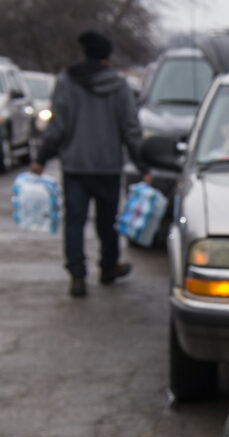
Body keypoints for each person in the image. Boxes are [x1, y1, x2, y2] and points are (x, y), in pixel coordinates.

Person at [30, 29, 152, 298]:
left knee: (74, 221)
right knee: (107, 222)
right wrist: (143, 166)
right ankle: (108, 266)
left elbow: (57, 127)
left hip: (75, 166)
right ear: (107, 58)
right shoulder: (119, 87)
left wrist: (41, 159)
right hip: (108, 167)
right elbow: (131, 129)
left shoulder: (66, 82)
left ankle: (77, 275)